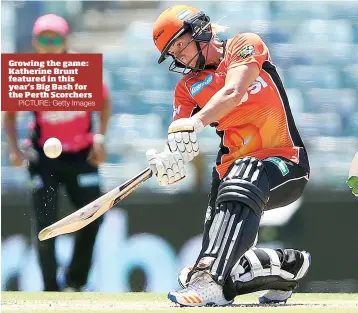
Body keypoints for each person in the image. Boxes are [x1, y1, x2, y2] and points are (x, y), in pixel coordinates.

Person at [146, 5, 311, 306]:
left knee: (245, 169)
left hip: (285, 162)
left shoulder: (244, 45)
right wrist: (170, 158)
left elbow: (233, 92)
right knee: (202, 274)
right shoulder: (186, 89)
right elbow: (178, 134)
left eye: (180, 45)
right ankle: (288, 265)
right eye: (173, 53)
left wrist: (196, 123)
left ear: (200, 30)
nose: (179, 56)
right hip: (229, 177)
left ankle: (209, 283)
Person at [3, 14, 111, 291]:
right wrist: (14, 149)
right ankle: (51, 288)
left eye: (55, 38)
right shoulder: (30, 72)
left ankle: (76, 282)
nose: (49, 44)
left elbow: (105, 102)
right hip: (43, 159)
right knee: (45, 223)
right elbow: (10, 116)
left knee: (93, 216)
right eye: (44, 39)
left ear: (65, 40)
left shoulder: (80, 69)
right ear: (35, 42)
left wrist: (100, 137)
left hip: (82, 156)